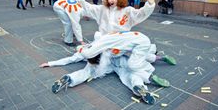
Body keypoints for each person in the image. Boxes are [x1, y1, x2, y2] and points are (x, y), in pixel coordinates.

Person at [39, 31, 176, 104]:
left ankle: (69, 78)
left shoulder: (86, 53)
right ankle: (139, 86)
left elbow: (69, 59)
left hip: (112, 62)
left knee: (85, 73)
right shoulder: (100, 45)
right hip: (118, 61)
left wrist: (51, 63)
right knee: (129, 73)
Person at [76, 0, 155, 36]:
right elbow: (89, 8)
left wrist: (149, 5)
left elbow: (140, 14)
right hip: (105, 40)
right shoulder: (103, 9)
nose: (109, 1)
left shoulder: (127, 10)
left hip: (120, 41)